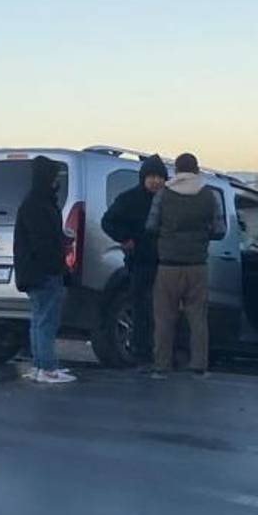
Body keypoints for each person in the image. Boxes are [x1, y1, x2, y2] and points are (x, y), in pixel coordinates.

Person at [145, 152, 226, 379]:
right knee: (198, 318)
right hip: (197, 264)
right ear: (197, 170)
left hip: (168, 265)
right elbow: (220, 230)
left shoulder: (163, 194)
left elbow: (151, 226)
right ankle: (199, 364)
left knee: (164, 318)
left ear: (176, 170)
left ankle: (161, 365)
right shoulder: (209, 195)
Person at [101, 154, 168, 368]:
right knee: (141, 309)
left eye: (160, 177)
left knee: (163, 310)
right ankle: (141, 354)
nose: (155, 181)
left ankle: (163, 353)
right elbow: (108, 222)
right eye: (151, 177)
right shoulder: (129, 199)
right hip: (140, 262)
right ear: (143, 178)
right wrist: (125, 239)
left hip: (165, 263)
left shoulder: (169, 200)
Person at [13, 156, 76, 383]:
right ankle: (47, 368)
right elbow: (43, 242)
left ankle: (40, 366)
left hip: (34, 271)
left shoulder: (34, 202)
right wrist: (59, 262)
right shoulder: (39, 205)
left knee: (38, 319)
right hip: (44, 272)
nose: (57, 180)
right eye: (55, 176)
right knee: (47, 321)